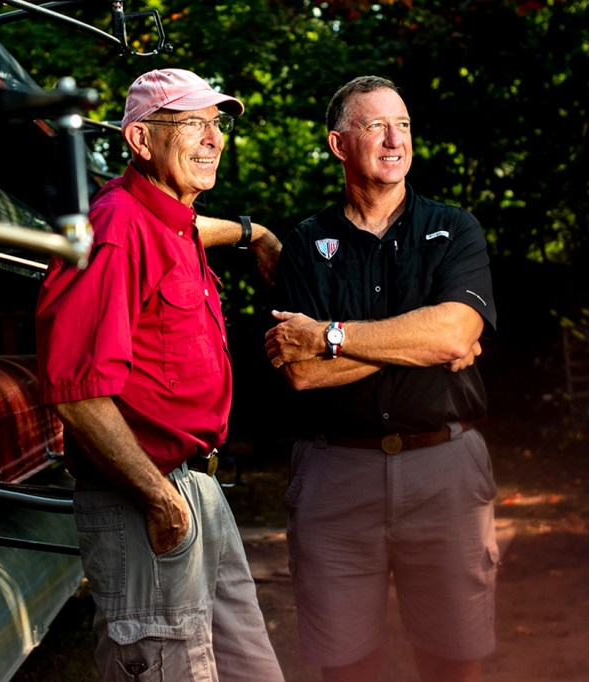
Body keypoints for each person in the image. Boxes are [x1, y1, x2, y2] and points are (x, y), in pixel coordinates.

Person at [36, 68, 285, 682]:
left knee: (248, 667)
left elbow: (195, 227)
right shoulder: (116, 229)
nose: (214, 139)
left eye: (217, 124)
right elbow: (76, 392)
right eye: (194, 124)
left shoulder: (171, 222)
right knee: (170, 668)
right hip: (147, 496)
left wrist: (255, 234)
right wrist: (158, 497)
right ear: (141, 140)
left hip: (198, 487)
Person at [264, 75, 498, 682]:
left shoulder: (455, 228)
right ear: (339, 144)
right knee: (346, 666)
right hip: (335, 477)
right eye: (376, 126)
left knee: (454, 661)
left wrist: (329, 335)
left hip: (445, 471)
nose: (396, 140)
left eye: (404, 125)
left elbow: (455, 333)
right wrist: (420, 341)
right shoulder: (306, 243)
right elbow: (302, 373)